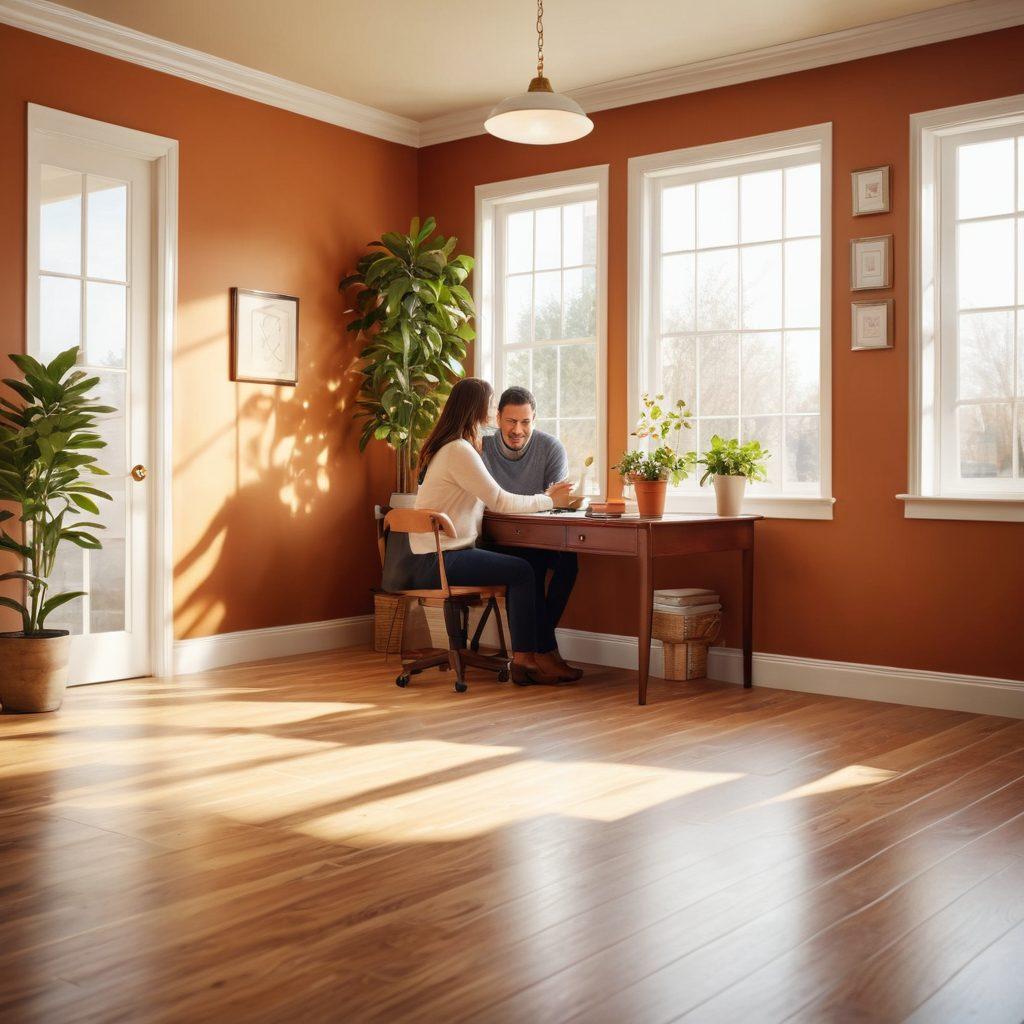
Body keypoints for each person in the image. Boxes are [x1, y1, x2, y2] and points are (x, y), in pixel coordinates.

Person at [399, 377, 575, 686]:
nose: (489, 418)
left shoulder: (448, 448)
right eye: (489, 409)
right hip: (441, 560)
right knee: (522, 571)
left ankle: (536, 656)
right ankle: (524, 661)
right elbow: (499, 500)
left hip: (430, 557)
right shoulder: (459, 451)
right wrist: (551, 500)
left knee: (527, 563)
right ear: (476, 412)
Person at [480, 386, 583, 682]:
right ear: (498, 418)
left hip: (540, 534)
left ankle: (538, 649)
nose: (518, 430)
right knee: (529, 566)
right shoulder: (481, 448)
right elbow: (487, 502)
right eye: (511, 421)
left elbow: (558, 503)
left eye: (525, 422)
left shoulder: (550, 447)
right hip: (496, 538)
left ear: (534, 419)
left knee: (569, 563)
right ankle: (543, 653)